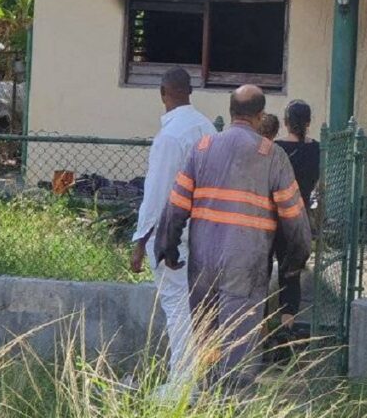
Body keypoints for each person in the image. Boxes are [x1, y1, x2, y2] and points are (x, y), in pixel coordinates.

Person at [155, 85, 312, 390]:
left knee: (206, 337)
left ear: (230, 113)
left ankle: (206, 398)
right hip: (245, 265)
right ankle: (231, 404)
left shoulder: (201, 148)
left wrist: (167, 247)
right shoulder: (272, 156)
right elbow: (294, 220)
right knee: (238, 343)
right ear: (260, 115)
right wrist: (294, 263)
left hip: (202, 264)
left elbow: (175, 206)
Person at [130, 67, 216, 399]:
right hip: (202, 231)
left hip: (171, 236)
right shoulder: (205, 127)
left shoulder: (170, 137)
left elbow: (157, 195)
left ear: (163, 93)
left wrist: (140, 241)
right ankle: (193, 378)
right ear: (189, 91)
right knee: (195, 307)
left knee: (177, 307)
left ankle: (183, 384)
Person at [272, 100, 320, 333]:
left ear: (285, 122)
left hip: (274, 217)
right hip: (299, 218)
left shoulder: (276, 149)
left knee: (262, 271)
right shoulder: (316, 150)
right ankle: (286, 331)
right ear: (309, 123)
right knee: (291, 275)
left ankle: (260, 330)